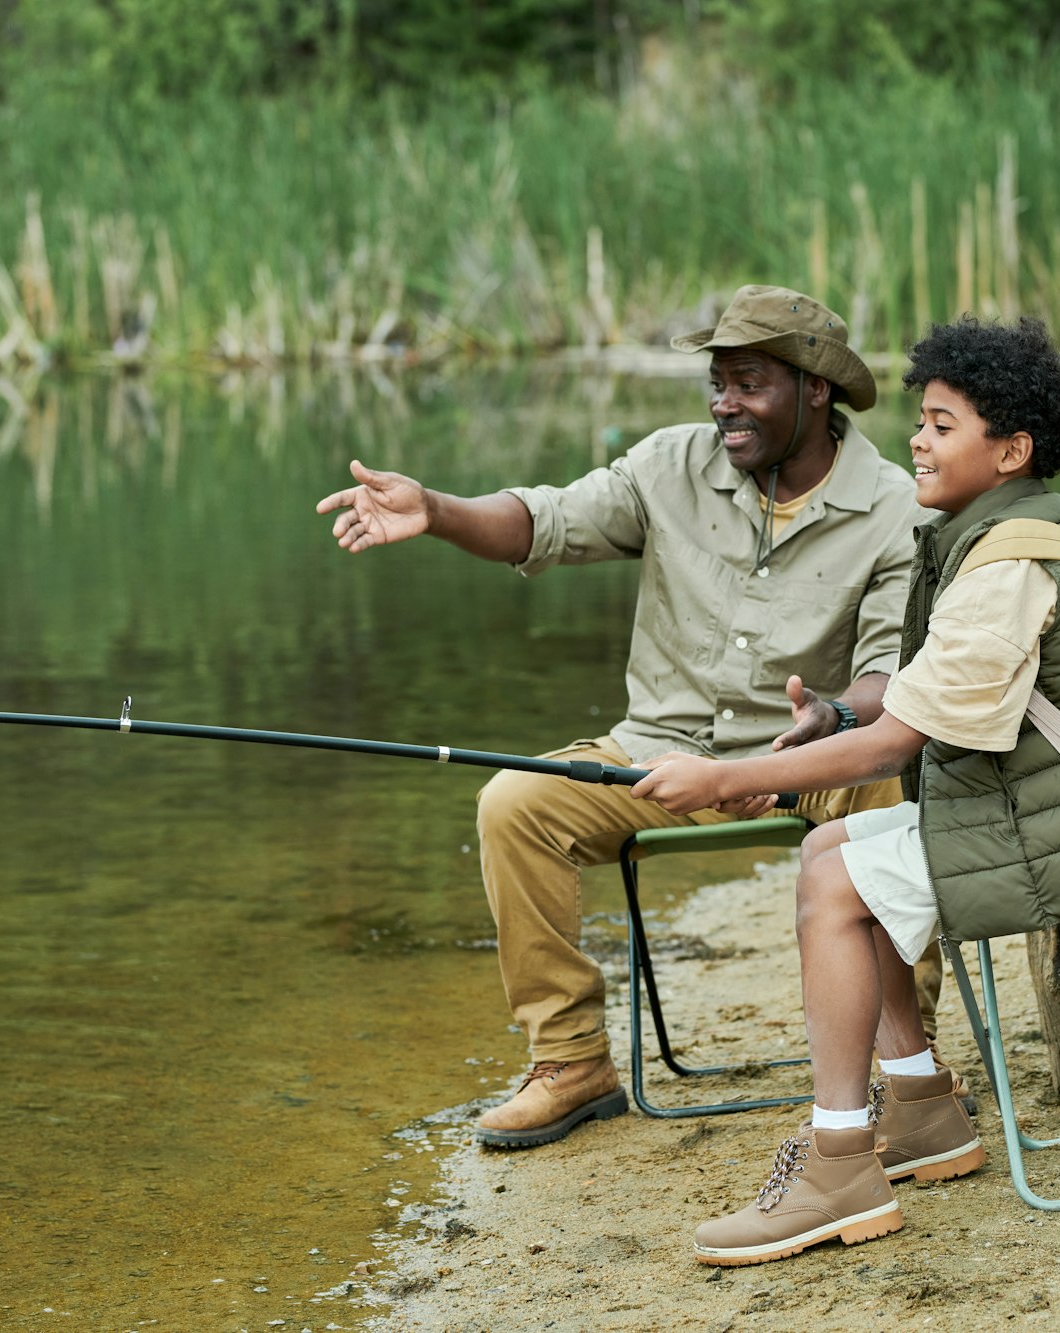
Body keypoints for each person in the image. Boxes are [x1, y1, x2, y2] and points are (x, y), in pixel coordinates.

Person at [317, 285, 935, 1148]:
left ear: (816, 389)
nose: (724, 403)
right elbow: (545, 521)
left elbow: (885, 680)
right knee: (514, 804)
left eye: (749, 382)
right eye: (717, 383)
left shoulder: (898, 507)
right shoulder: (669, 465)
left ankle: (909, 1068)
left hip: (808, 765)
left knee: (895, 792)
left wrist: (827, 716)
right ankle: (571, 1062)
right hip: (661, 757)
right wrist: (436, 511)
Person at [633, 315, 1060, 1265]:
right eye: (920, 420)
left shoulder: (1005, 569)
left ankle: (838, 1157)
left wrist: (729, 774)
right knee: (833, 849)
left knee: (837, 883)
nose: (916, 442)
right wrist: (810, 739)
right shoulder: (988, 536)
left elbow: (894, 744)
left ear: (1012, 451)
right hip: (1048, 813)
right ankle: (920, 1104)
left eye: (942, 425)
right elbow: (901, 726)